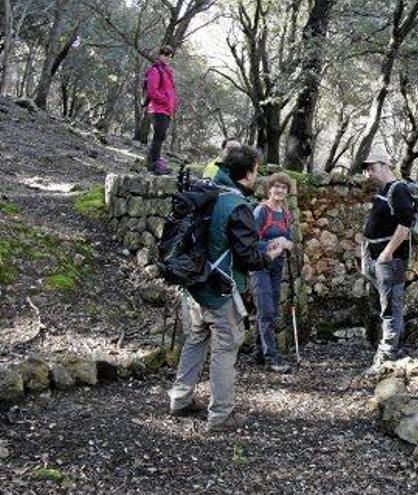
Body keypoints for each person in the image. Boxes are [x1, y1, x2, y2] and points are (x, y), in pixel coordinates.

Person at [168, 146, 284, 432]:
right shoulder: (236, 205)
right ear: (247, 173)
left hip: (194, 284)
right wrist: (270, 253)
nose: (258, 176)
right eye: (257, 170)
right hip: (220, 290)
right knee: (226, 346)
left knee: (196, 339)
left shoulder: (208, 192)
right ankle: (221, 414)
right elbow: (246, 257)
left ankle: (180, 399)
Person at [359, 149, 415, 375]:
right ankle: (388, 351)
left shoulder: (399, 189)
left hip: (389, 261)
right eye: (367, 169)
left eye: (372, 168)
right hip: (377, 258)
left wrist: (386, 253)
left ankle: (389, 355)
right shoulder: (386, 191)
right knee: (385, 306)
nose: (368, 174)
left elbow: (405, 225)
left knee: (391, 308)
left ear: (385, 165)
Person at [251, 172, 296, 373]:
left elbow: (290, 241)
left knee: (271, 310)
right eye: (276, 187)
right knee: (266, 310)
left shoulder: (286, 214)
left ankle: (258, 352)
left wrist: (287, 244)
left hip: (277, 268)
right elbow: (249, 243)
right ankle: (272, 357)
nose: (279, 190)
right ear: (269, 189)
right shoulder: (261, 212)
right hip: (260, 266)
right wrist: (272, 245)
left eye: (283, 188)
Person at [145, 45, 178, 175]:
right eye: (165, 55)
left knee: (161, 136)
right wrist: (165, 100)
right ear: (160, 55)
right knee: (158, 136)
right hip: (158, 109)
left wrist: (172, 105)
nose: (168, 58)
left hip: (166, 110)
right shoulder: (155, 70)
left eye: (170, 56)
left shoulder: (168, 72)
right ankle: (153, 164)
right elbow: (152, 91)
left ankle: (154, 162)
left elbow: (170, 92)